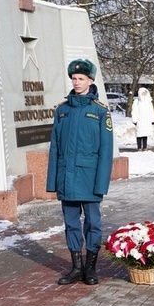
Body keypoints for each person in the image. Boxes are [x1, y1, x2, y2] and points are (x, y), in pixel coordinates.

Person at [46, 59, 114, 286]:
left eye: (81, 79)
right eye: (74, 79)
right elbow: (55, 147)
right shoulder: (62, 111)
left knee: (93, 223)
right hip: (67, 178)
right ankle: (76, 267)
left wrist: (101, 184)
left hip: (90, 178)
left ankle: (91, 268)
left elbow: (106, 151)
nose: (76, 82)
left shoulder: (100, 112)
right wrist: (53, 181)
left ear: (90, 81)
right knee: (71, 223)